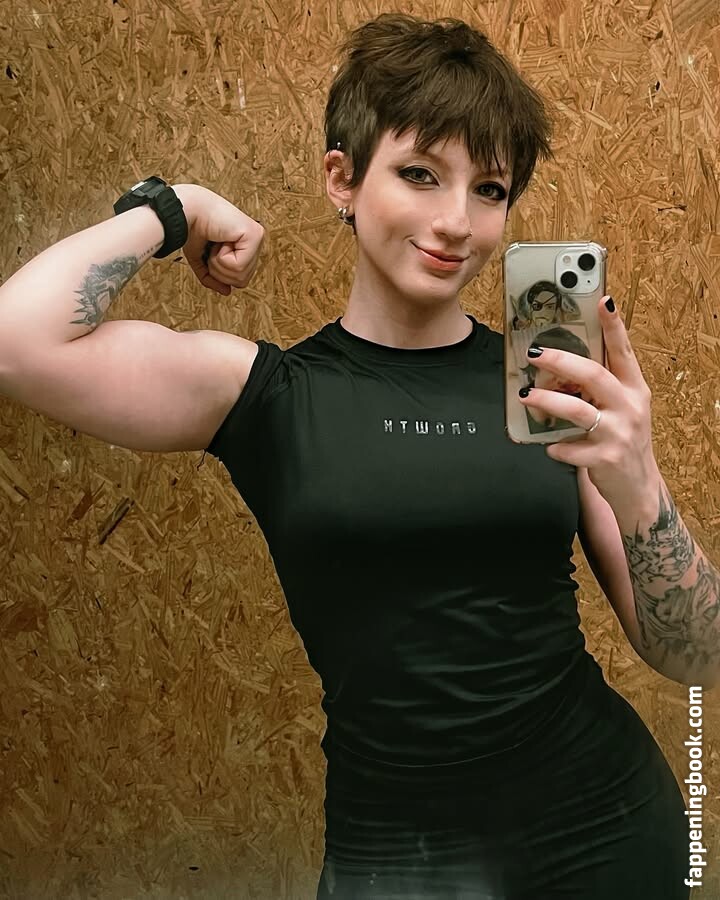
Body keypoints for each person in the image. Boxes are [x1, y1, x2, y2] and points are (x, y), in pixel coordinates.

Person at [0, 12, 708, 900]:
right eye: (420, 173)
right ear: (342, 178)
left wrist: (638, 479)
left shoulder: (548, 394)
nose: (456, 222)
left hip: (609, 826)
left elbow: (697, 655)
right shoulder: (268, 394)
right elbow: (16, 342)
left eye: (489, 189)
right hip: (398, 855)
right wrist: (177, 206)